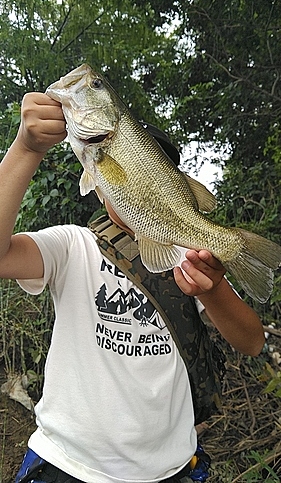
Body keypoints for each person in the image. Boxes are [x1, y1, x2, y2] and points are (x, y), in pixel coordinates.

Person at [0, 93, 265, 483]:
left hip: (171, 469)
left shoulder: (188, 257)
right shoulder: (72, 246)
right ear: (100, 184)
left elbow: (253, 341)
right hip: (67, 465)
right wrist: (26, 147)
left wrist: (213, 289)